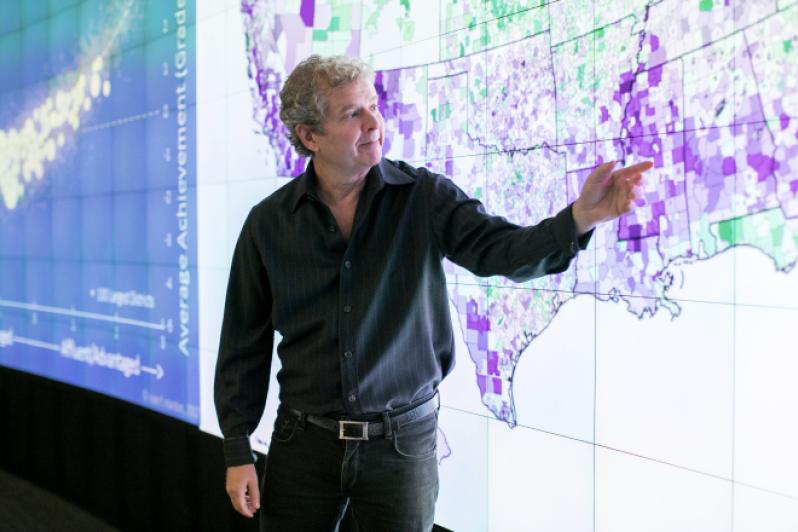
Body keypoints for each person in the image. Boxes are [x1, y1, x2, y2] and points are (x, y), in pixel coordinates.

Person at [214, 54, 652, 531]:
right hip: (303, 444)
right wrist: (237, 447)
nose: (373, 123)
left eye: (373, 106)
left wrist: (580, 219)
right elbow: (243, 342)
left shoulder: (423, 197)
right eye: (352, 113)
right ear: (310, 136)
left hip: (402, 447)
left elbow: (502, 251)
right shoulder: (269, 224)